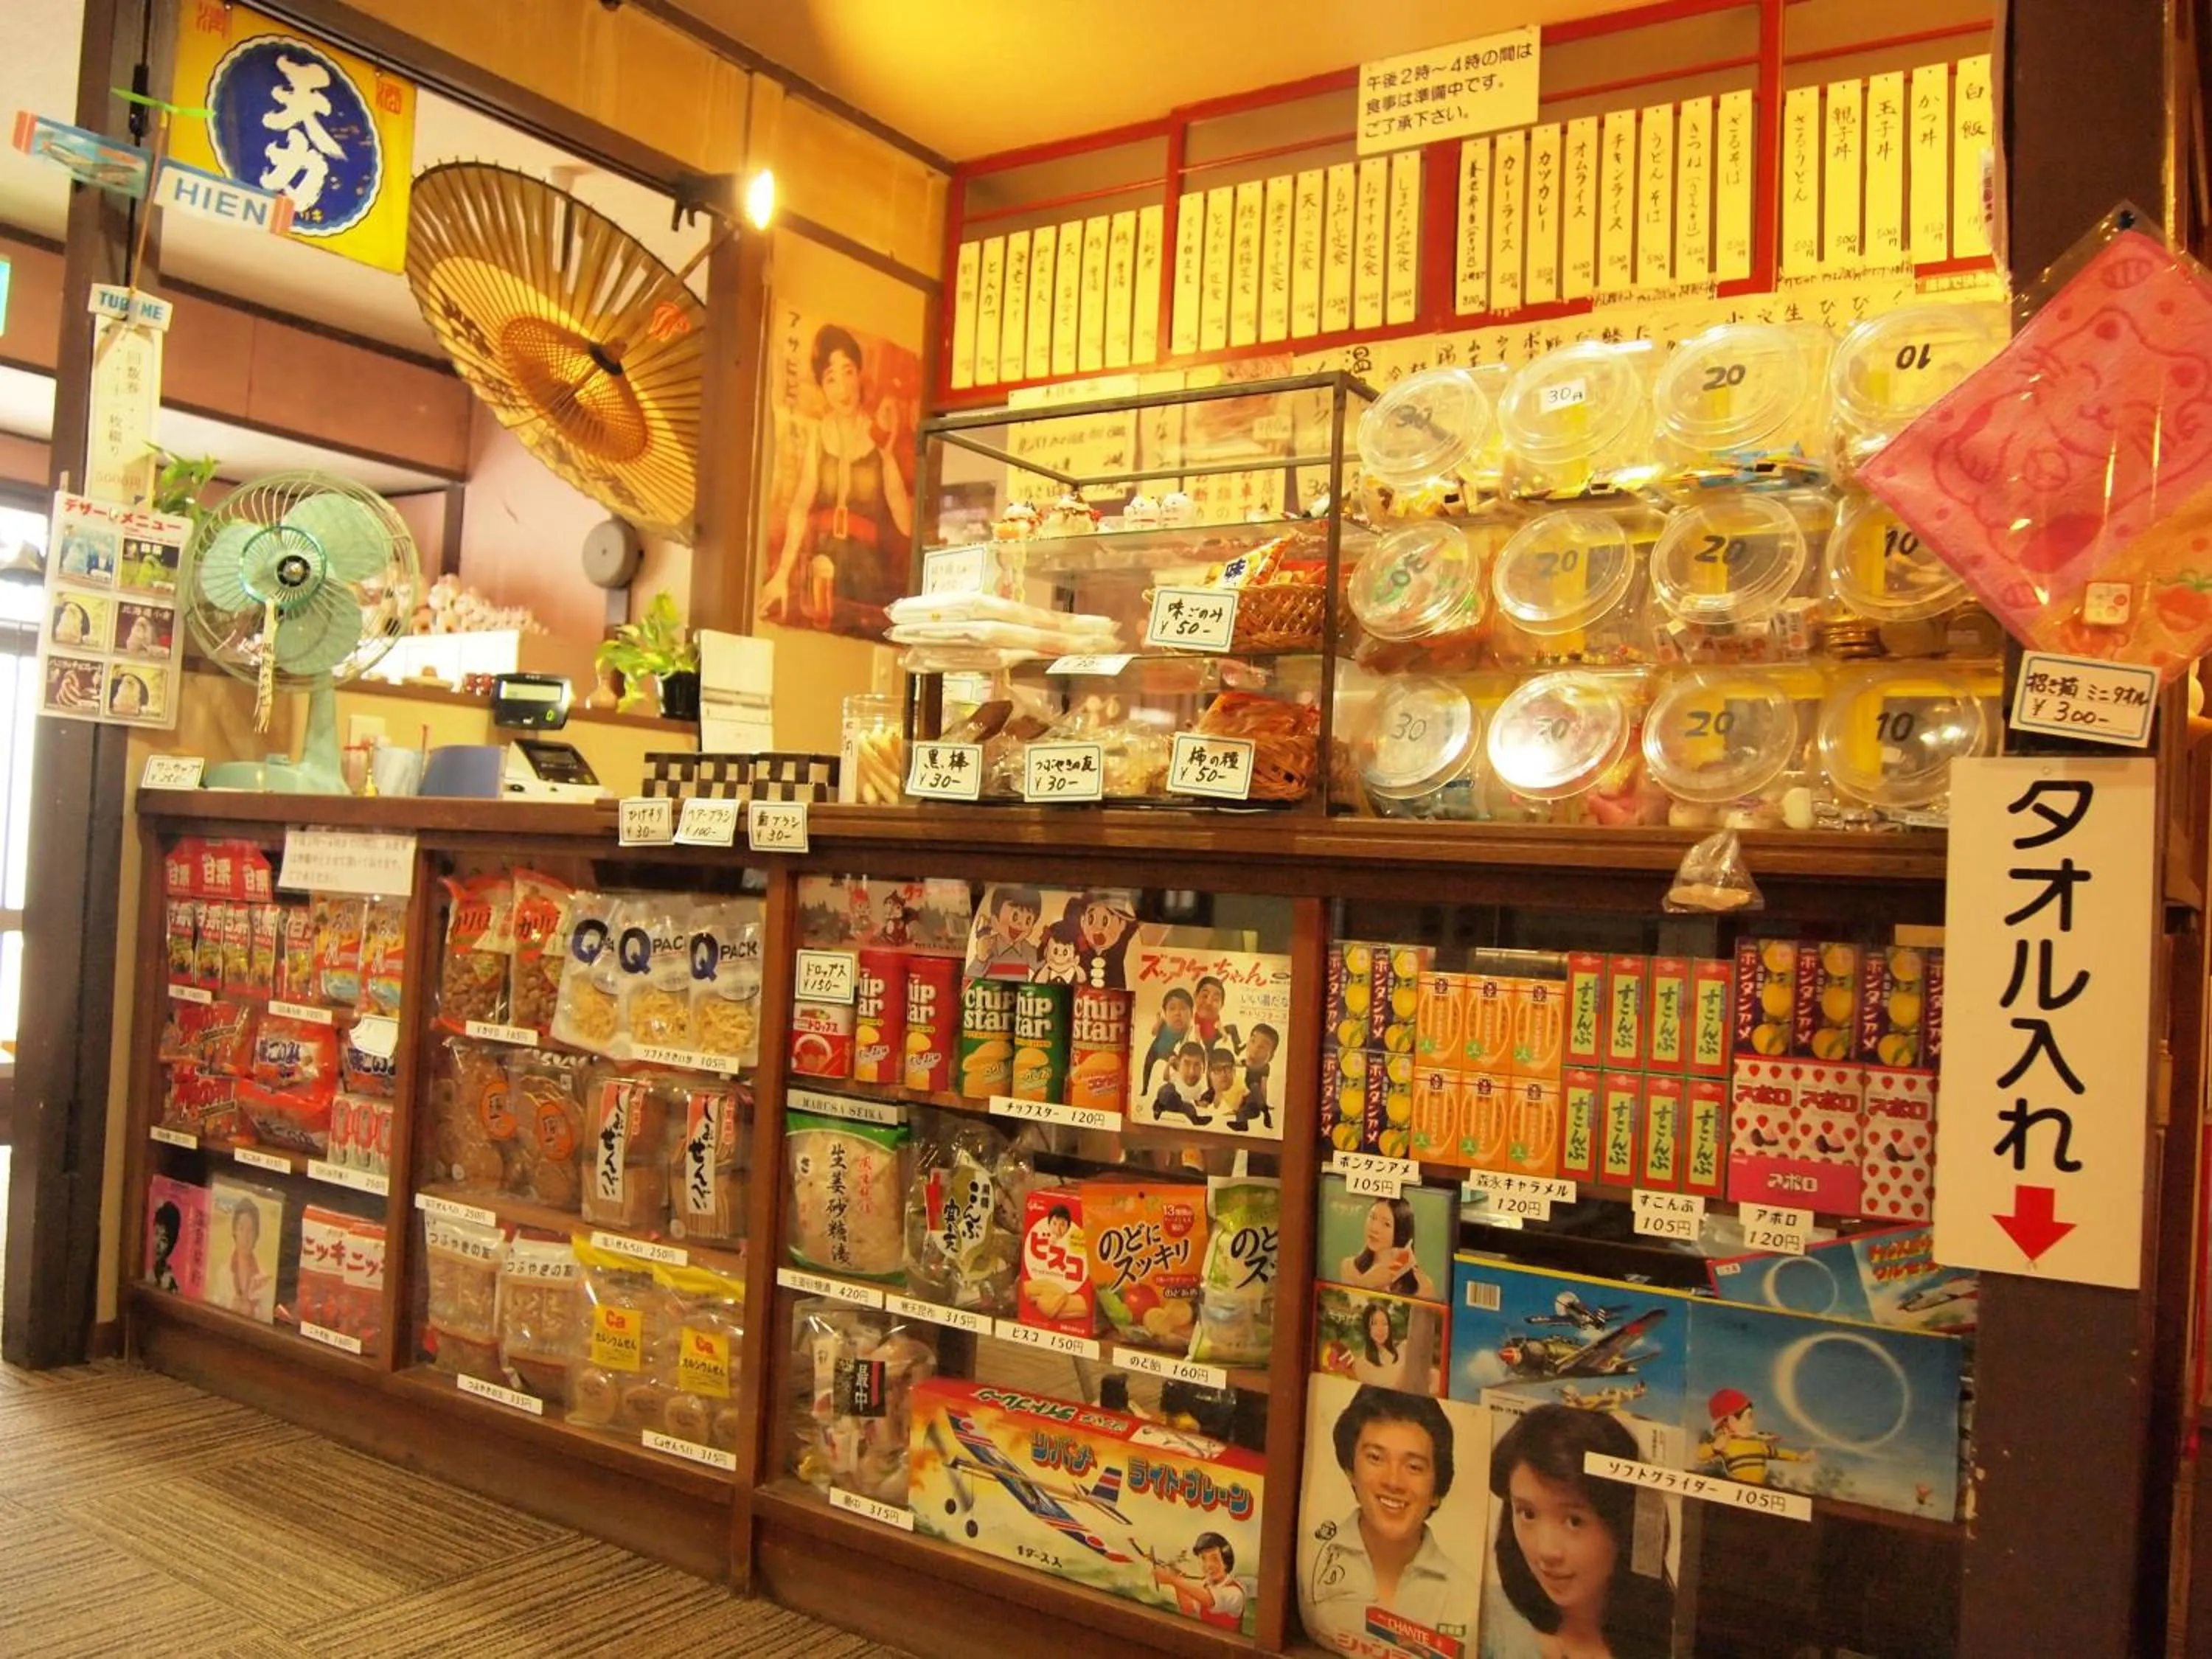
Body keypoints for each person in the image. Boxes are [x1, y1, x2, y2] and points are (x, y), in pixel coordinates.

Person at [1486, 1404, 1675, 1659]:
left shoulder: (1675, 1639)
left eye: (1574, 1521)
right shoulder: (1488, 1620)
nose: (1547, 1550)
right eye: (1527, 1514)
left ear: (1624, 1523)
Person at [1301, 1385, 1479, 1655]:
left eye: (1414, 1467)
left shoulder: (1467, 1598)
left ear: (1436, 1491)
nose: (1394, 1481)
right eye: (1375, 1458)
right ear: (1351, 1469)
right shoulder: (1308, 1558)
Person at [762, 324, 912, 629]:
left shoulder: (878, 436)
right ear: (822, 386)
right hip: (822, 564)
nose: (842, 388)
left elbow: (907, 523)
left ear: (859, 374)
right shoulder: (819, 434)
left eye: (848, 372)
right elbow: (801, 507)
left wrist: (891, 450)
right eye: (831, 378)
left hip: (868, 572)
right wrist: (781, 575)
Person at [1695, 1388, 1815, 1486]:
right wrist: (1714, 1448)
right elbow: (1700, 1454)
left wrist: (1799, 1457)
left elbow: (1779, 1453)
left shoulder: (1758, 1445)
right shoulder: (1726, 1445)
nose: (1752, 1422)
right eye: (1749, 1416)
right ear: (1732, 1421)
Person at [1339, 1195, 1438, 1300]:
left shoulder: (1423, 1285)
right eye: (1372, 1217)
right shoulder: (1348, 1268)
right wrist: (1367, 1282)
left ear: (1401, 1232)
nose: (1374, 1228)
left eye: (1386, 1224)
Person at [1154, 1531, 1248, 1630]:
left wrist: (1173, 1580)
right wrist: (1178, 1583)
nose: (1208, 1565)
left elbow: (1209, 1599)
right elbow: (1189, 1611)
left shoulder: (1235, 1593)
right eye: (1203, 1559)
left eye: (1215, 1559)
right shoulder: (1206, 1586)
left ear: (1226, 1562)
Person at [968, 886, 1042, 978]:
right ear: (995, 920)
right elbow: (971, 977)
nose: (1020, 925)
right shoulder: (989, 947)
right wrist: (981, 959)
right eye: (1015, 917)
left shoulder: (1027, 950)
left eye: (1028, 921)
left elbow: (1043, 968)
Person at [1138, 986, 1196, 1094]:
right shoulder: (1164, 1023)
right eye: (1172, 1009)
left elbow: (1184, 1045)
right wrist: (1158, 1022)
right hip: (1155, 1049)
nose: (1178, 1013)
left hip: (1168, 1053)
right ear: (1165, 1013)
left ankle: (1186, 1089)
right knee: (1147, 1066)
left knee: (1181, 1067)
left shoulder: (1184, 1030)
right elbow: (1154, 1033)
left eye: (1183, 1008)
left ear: (1191, 1013)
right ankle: (1145, 1088)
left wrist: (1188, 1032)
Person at [223, 1197, 270, 1319]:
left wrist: (254, 1313)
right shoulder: (222, 1273)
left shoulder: (265, 1277)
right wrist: (230, 1308)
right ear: (234, 1231)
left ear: (257, 1235)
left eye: (251, 1230)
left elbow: (269, 1317)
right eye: (241, 1229)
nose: (246, 1237)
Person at [1150, 1040, 1214, 1126]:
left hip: (1181, 1107)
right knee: (1167, 1090)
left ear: (1204, 1068)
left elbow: (1200, 1102)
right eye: (1186, 1064)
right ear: (1179, 1064)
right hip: (1169, 1100)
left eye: (1197, 1065)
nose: (1191, 1072)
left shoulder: (1202, 1086)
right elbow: (1165, 1078)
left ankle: (1196, 1120)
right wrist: (1168, 1064)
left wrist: (1202, 1103)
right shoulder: (1176, 1077)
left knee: (1190, 1108)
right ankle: (1159, 1106)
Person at [1350, 1301, 1407, 1389]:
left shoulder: (1403, 1350)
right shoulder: (1361, 1365)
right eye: (1374, 1324)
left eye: (1384, 1324)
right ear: (1367, 1328)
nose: (1380, 1329)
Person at [1242, 1023, 1279, 1123]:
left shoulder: (1265, 1068)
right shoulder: (1244, 1063)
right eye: (1253, 1041)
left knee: (1254, 1087)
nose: (1255, 1049)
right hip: (1245, 1093)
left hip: (1255, 1093)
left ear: (1271, 1057)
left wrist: (1263, 1104)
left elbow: (1264, 1086)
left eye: (1262, 1047)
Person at [1205, 1046, 1247, 1124]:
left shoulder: (1243, 1099)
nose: (1224, 1074)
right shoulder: (1202, 1101)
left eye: (1228, 1068)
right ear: (1209, 1073)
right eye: (1218, 1069)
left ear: (1234, 1071)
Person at [148, 1200, 181, 1294]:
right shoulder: (146, 1274)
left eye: (164, 1240)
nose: (158, 1243)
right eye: (156, 1233)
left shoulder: (171, 1284)